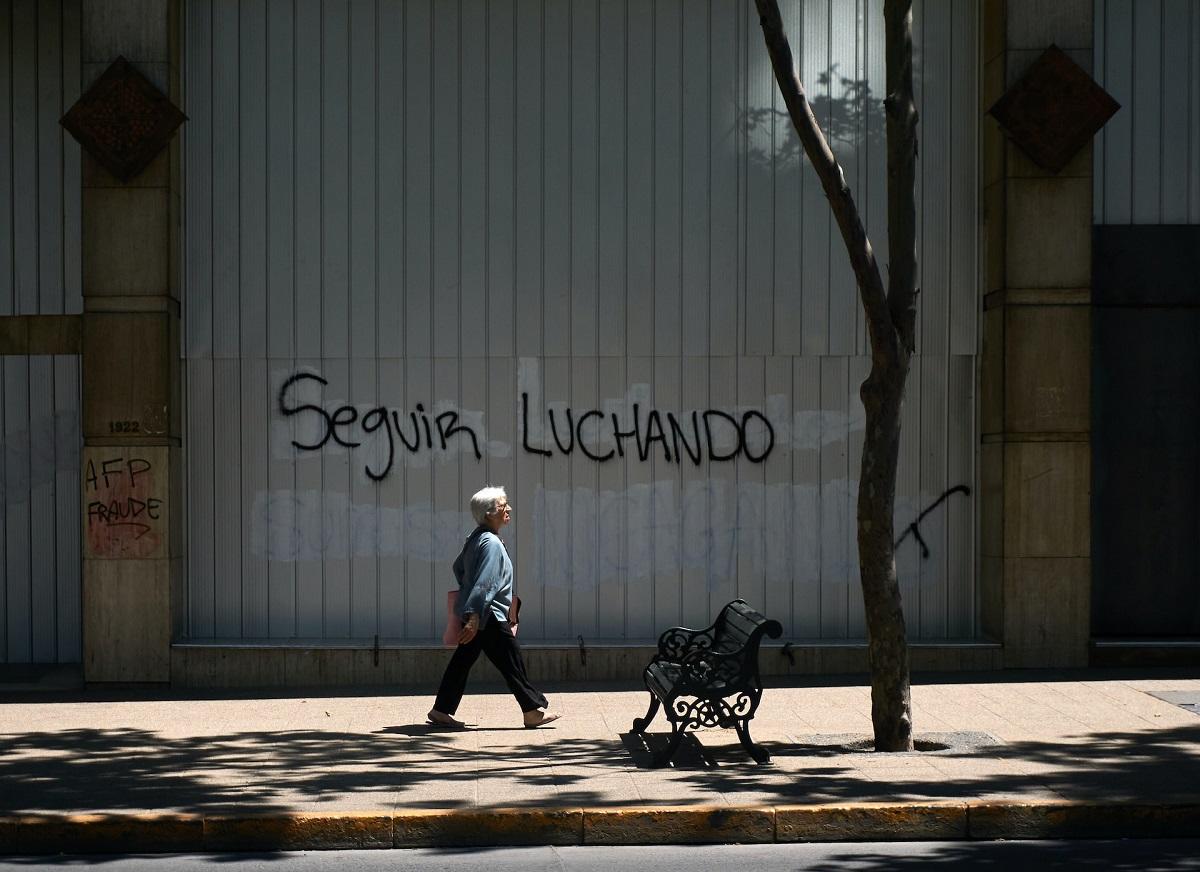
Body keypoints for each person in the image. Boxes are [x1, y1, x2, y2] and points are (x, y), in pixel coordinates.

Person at [427, 486, 560, 728]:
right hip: (489, 615)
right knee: (511, 660)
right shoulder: (491, 544)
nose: (508, 508)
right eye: (502, 506)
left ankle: (440, 710)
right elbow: (486, 580)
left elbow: (459, 568)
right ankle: (531, 710)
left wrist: (468, 597)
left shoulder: (476, 537)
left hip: (480, 613)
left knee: (463, 660)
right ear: (489, 513)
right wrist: (476, 613)